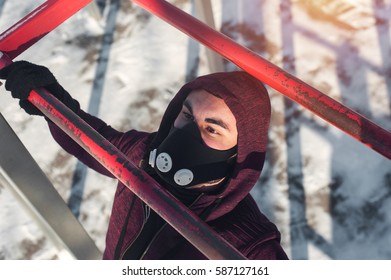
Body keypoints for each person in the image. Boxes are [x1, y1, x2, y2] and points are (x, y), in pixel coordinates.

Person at [0, 61, 288, 260]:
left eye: (212, 129)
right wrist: (55, 102)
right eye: (187, 115)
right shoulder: (143, 155)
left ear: (241, 149)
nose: (187, 134)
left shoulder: (246, 246)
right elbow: (93, 142)